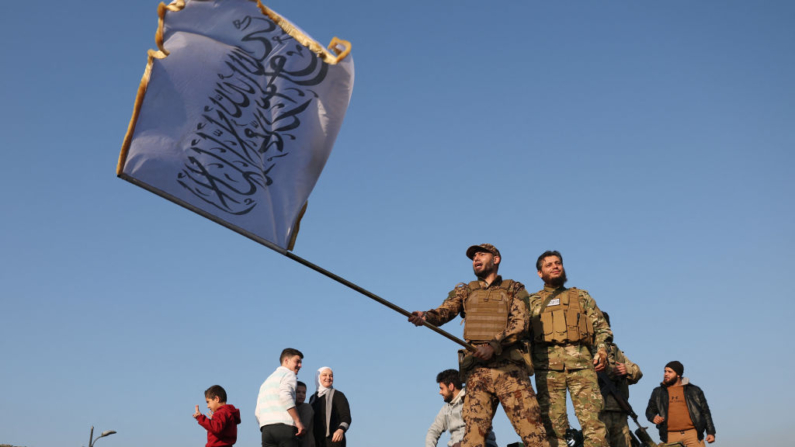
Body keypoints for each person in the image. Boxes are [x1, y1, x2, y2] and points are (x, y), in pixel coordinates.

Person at [409, 243, 548, 447]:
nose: (476, 258)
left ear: (496, 259)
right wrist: (426, 316)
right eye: (473, 256)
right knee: (472, 440)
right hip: (478, 372)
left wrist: (493, 346)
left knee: (534, 434)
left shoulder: (515, 289)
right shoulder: (466, 291)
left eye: (481, 254)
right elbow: (444, 311)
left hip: (510, 370)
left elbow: (520, 325)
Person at [529, 250, 612, 447]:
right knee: (553, 427)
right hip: (547, 369)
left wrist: (602, 352)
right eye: (549, 264)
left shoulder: (581, 297)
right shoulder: (531, 302)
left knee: (593, 425)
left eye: (558, 263)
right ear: (540, 273)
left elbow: (602, 329)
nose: (555, 266)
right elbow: (520, 335)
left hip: (582, 367)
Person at [597, 312, 643, 447]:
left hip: (619, 409)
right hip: (596, 412)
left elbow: (637, 372)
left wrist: (627, 370)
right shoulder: (585, 349)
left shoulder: (614, 350)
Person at [645, 361, 716, 446]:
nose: (666, 374)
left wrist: (711, 432)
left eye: (670, 372)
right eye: (665, 371)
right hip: (670, 436)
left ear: (678, 374)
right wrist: (653, 417)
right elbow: (649, 411)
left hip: (693, 435)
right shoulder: (658, 392)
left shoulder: (695, 390)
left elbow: (705, 412)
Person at [425, 369, 497, 447]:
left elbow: (478, 427)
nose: (440, 392)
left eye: (442, 388)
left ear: (451, 386)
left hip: (481, 443)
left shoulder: (473, 399)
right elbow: (433, 431)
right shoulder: (446, 409)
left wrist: (464, 444)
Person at [255, 348, 306, 447]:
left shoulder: (266, 381)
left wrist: (266, 424)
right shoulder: (288, 374)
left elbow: (257, 412)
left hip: (266, 430)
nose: (300, 365)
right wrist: (298, 421)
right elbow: (285, 396)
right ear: (286, 360)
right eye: (297, 361)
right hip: (284, 428)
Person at [309, 367, 351, 447]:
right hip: (316, 441)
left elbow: (346, 416)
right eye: (324, 375)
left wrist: (340, 430)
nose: (328, 378)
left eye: (331, 375)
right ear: (318, 378)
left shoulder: (338, 395)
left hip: (333, 441)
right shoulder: (313, 399)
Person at [296, 381, 316, 447]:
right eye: (298, 392)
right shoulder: (291, 409)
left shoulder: (306, 407)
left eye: (303, 392)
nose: (301, 394)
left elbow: (303, 428)